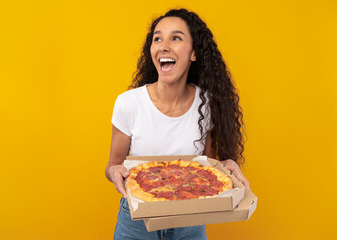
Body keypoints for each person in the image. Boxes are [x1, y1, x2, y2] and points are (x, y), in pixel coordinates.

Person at [105, 8, 250, 240]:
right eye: (157, 38)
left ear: (193, 53)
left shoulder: (206, 103)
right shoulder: (128, 103)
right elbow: (113, 164)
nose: (164, 45)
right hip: (137, 222)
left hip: (190, 222)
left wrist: (226, 165)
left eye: (176, 38)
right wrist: (114, 171)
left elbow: (206, 166)